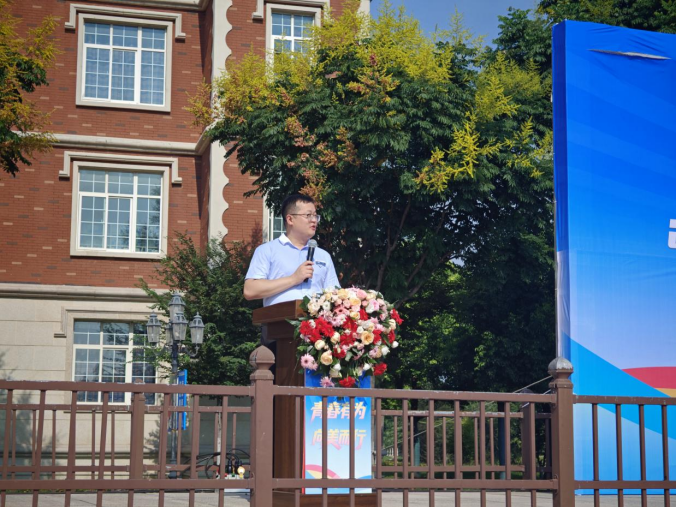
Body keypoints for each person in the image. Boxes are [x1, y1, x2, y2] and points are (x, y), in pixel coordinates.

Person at [244, 194, 340, 306]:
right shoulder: (267, 250)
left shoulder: (324, 256)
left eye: (315, 216)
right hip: (280, 317)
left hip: (317, 317)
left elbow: (335, 294)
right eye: (308, 215)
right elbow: (250, 290)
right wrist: (294, 279)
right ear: (290, 219)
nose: (314, 220)